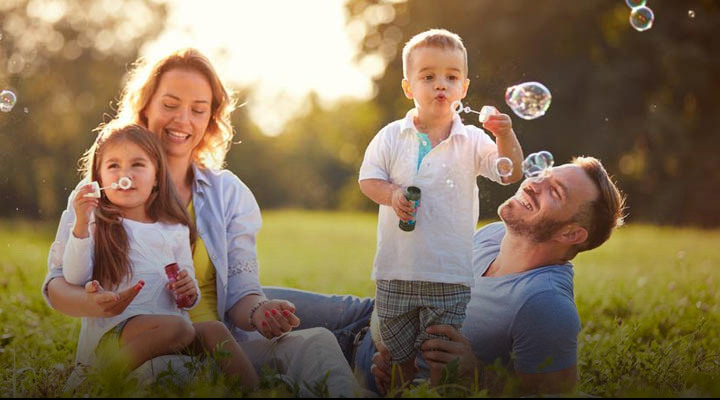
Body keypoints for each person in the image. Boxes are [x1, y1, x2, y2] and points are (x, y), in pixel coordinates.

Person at [42, 48, 359, 396]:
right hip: (147, 351)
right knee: (171, 374)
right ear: (146, 105)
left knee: (317, 342)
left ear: (211, 119)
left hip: (220, 349)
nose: (183, 120)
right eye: (170, 104)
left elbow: (241, 294)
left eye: (198, 110)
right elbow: (58, 285)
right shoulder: (99, 193)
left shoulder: (228, 193)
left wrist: (260, 311)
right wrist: (95, 303)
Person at [289, 156, 624, 395]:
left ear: (571, 235)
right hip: (366, 318)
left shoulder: (545, 304)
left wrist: (474, 376)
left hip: (369, 374)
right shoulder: (495, 235)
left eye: (556, 192)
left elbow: (556, 395)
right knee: (245, 305)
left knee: (260, 352)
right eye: (544, 175)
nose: (534, 183)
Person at [358, 28, 523, 386]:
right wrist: (391, 195)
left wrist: (505, 135)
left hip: (449, 273)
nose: (440, 85)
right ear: (408, 88)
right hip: (396, 270)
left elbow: (509, 172)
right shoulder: (391, 136)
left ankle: (440, 390)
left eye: (451, 77)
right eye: (428, 76)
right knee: (396, 356)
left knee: (441, 356)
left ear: (464, 88)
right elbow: (368, 179)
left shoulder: (473, 140)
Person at [61, 124, 258, 389]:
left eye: (137, 165)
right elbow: (74, 276)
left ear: (156, 176)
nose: (125, 174)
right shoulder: (98, 224)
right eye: (113, 166)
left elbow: (187, 298)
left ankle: (257, 391)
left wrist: (188, 291)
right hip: (115, 334)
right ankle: (96, 380)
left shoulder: (174, 229)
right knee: (179, 328)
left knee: (215, 331)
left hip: (171, 330)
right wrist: (81, 224)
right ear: (99, 179)